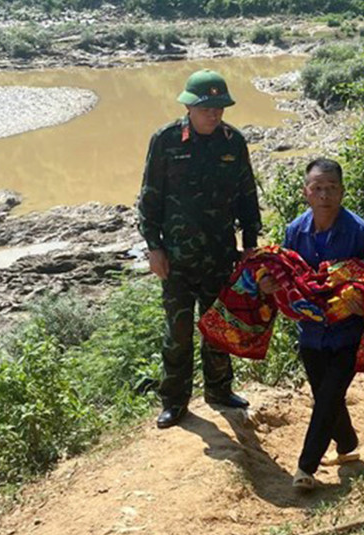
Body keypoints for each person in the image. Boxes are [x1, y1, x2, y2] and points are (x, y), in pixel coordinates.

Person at [137, 69, 261, 429]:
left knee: (218, 327)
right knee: (178, 333)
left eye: (219, 107)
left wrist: (250, 245)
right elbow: (149, 198)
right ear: (189, 106)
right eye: (206, 108)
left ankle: (219, 391)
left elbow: (247, 197)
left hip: (220, 256)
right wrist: (154, 248)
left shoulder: (233, 142)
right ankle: (174, 402)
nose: (214, 114)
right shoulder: (166, 140)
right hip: (176, 260)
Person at [259, 158, 364, 490]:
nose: (324, 195)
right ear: (306, 192)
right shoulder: (295, 231)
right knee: (327, 395)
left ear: (342, 192)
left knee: (327, 398)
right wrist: (269, 283)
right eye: (317, 188)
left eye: (331, 188)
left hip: (348, 332)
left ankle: (305, 468)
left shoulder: (360, 233)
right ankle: (347, 442)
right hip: (311, 332)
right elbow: (285, 271)